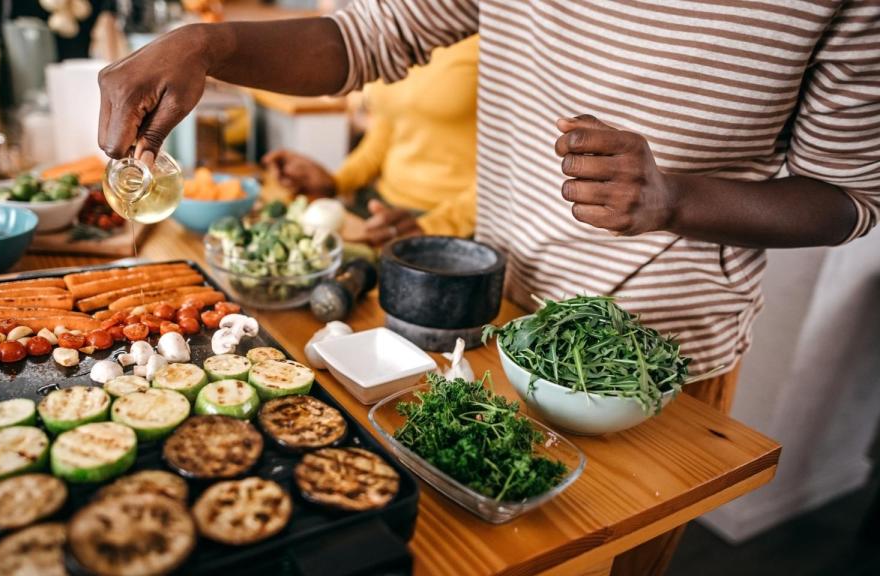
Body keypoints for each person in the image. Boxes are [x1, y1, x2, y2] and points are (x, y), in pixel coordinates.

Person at [96, 4, 878, 570]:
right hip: (487, 318)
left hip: (652, 375)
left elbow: (849, 196)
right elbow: (368, 36)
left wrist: (677, 199)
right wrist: (209, 40)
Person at [262, 34, 479, 245]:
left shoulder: (488, 37)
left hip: (454, 227)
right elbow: (384, 133)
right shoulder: (397, 29)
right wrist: (336, 181)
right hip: (380, 206)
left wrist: (433, 225)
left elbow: (508, 173)